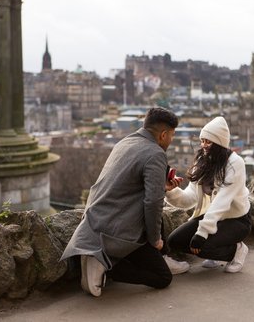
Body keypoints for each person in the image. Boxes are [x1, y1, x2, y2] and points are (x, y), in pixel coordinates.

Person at [60, 107, 186, 297]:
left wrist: (162, 186)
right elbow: (152, 203)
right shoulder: (156, 154)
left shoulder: (124, 142)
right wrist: (155, 241)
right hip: (117, 230)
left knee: (154, 204)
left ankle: (102, 258)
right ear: (163, 134)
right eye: (172, 136)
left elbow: (127, 187)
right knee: (162, 278)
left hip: (96, 220)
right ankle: (107, 267)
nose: (171, 141)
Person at [165, 116, 252, 273]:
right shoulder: (203, 161)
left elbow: (222, 202)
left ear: (220, 143)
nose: (203, 145)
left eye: (208, 141)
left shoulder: (235, 164)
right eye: (202, 140)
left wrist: (202, 232)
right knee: (175, 241)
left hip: (236, 220)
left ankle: (237, 249)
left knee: (203, 245)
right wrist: (170, 191)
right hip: (213, 218)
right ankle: (216, 248)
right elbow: (190, 198)